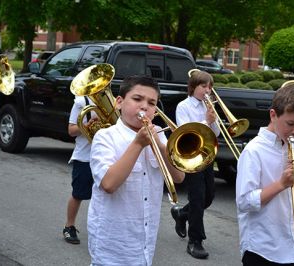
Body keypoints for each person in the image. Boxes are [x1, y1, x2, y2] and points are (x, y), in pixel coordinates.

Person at [87, 75, 185, 265]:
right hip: (112, 245)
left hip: (145, 244)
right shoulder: (105, 137)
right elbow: (109, 184)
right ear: (119, 102)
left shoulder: (159, 136)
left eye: (151, 102)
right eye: (137, 99)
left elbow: (178, 177)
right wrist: (139, 143)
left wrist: (159, 144)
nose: (144, 107)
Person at [235, 81, 294, 266]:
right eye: (290, 123)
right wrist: (281, 184)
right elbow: (244, 201)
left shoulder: (293, 144)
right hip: (263, 248)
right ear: (273, 115)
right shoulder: (253, 151)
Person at [170, 70, 220, 259]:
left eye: (210, 87)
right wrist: (205, 120)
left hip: (206, 155)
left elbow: (216, 135)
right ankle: (195, 241)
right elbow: (187, 131)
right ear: (193, 87)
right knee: (198, 198)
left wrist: (213, 121)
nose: (207, 90)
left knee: (209, 197)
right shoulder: (184, 106)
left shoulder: (209, 107)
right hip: (190, 156)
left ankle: (182, 213)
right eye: (203, 86)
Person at [62, 95, 97, 244]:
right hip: (85, 156)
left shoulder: (114, 102)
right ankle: (69, 226)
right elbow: (71, 130)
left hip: (106, 156)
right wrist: (87, 126)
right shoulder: (81, 102)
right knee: (78, 194)